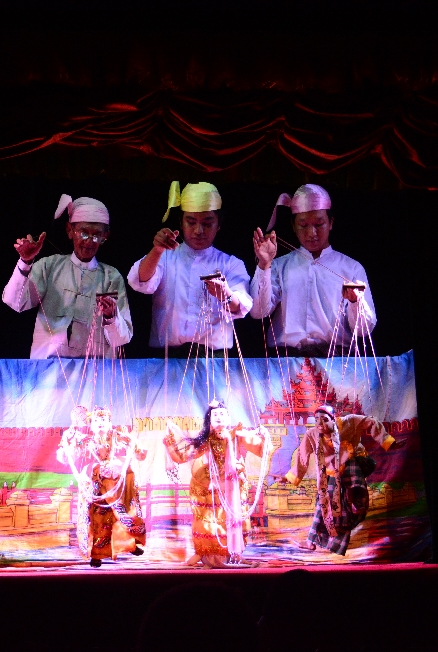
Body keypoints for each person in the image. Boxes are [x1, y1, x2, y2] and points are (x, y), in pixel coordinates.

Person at [249, 184, 376, 358]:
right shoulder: (279, 266)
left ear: (331, 223)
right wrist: (264, 265)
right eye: (303, 225)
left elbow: (364, 330)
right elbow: (258, 312)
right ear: (293, 226)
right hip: (287, 362)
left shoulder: (351, 268)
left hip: (335, 362)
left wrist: (355, 301)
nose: (311, 232)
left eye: (319, 224)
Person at [128, 182, 252, 356]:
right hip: (167, 357)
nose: (198, 230)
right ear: (181, 222)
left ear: (218, 224)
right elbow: (140, 283)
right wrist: (156, 250)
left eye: (207, 223)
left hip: (213, 359)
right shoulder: (165, 257)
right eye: (191, 222)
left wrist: (226, 294)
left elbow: (241, 306)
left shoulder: (231, 263)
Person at [2, 195, 133, 359]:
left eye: (97, 236)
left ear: (105, 236)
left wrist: (111, 317)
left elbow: (121, 339)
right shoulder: (49, 266)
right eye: (83, 233)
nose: (90, 242)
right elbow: (15, 302)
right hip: (50, 369)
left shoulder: (111, 277)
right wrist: (25, 262)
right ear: (70, 231)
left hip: (93, 369)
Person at [278, 405, 405, 555]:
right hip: (330, 473)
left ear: (333, 419)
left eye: (324, 419)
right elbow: (302, 456)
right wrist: (289, 477)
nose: (320, 423)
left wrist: (388, 442)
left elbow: (371, 421)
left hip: (352, 466)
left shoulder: (349, 422)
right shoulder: (312, 434)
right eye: (316, 420)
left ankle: (353, 503)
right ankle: (311, 541)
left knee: (355, 500)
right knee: (323, 505)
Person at [164, 401, 272, 568]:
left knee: (234, 520)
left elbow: (262, 449)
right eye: (215, 414)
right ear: (209, 419)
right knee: (208, 522)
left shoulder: (237, 435)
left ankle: (233, 554)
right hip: (211, 485)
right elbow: (182, 457)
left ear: (228, 418)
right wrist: (169, 443)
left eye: (222, 414)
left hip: (232, 485)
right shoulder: (205, 440)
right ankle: (205, 554)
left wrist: (264, 436)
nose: (219, 417)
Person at [58, 406, 147, 567]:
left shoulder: (117, 436)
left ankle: (130, 545)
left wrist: (138, 449)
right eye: (97, 420)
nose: (100, 423)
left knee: (122, 512)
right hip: (96, 488)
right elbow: (65, 457)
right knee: (98, 521)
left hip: (114, 485)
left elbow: (138, 450)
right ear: (91, 424)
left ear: (110, 423)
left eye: (104, 420)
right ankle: (96, 555)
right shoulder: (86, 440)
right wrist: (66, 442)